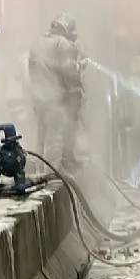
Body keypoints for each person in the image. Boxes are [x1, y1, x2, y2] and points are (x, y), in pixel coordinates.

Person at [27, 12, 88, 174]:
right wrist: (80, 66)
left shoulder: (37, 43)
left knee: (42, 138)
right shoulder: (64, 45)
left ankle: (39, 171)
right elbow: (69, 75)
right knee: (59, 137)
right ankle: (56, 173)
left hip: (39, 99)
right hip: (58, 100)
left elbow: (32, 72)